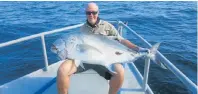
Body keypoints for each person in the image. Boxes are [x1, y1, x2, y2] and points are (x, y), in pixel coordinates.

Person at [57, 2, 148, 94]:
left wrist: (137, 48)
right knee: (62, 70)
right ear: (85, 13)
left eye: (94, 12)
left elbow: (121, 40)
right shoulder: (82, 29)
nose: (91, 15)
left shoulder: (108, 27)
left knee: (120, 72)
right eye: (88, 13)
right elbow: (76, 49)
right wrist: (66, 53)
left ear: (98, 12)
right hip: (84, 61)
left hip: (103, 61)